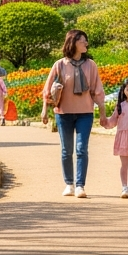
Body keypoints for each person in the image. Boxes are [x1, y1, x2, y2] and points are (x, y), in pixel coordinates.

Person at [42, 29, 104, 198]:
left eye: (86, 41)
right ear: (73, 42)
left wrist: (103, 113)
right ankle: (69, 184)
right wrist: (44, 110)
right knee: (66, 150)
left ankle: (80, 186)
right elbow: (47, 89)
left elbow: (97, 91)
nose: (86, 44)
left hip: (85, 113)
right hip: (63, 113)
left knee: (82, 149)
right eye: (83, 41)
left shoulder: (91, 65)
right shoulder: (59, 64)